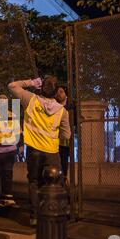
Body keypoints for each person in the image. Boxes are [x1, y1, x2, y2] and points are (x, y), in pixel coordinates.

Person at [8, 76, 71, 226]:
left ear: (41, 87)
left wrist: (31, 82)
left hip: (34, 150)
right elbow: (66, 135)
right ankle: (60, 211)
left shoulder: (30, 99)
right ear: (56, 92)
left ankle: (34, 216)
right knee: (56, 182)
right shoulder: (62, 111)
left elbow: (12, 86)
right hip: (52, 152)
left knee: (34, 181)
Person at [0, 94, 21, 207]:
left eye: (4, 102)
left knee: (7, 173)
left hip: (8, 150)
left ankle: (7, 196)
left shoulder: (12, 115)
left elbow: (17, 132)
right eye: (0, 101)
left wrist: (19, 146)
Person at [55, 85, 70, 183]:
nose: (58, 94)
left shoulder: (71, 106)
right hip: (55, 141)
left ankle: (64, 179)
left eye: (61, 92)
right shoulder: (54, 106)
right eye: (57, 92)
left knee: (64, 161)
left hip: (66, 141)